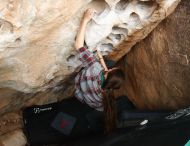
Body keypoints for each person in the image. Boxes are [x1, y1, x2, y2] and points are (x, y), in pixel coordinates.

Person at [0, 8, 125, 146]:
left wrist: (85, 19)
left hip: (76, 99)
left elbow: (78, 45)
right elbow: (104, 79)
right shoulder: (106, 95)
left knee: (47, 120)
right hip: (82, 108)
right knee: (59, 126)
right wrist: (104, 70)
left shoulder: (94, 68)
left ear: (109, 71)